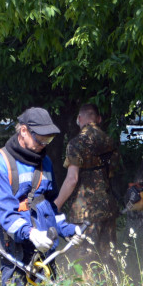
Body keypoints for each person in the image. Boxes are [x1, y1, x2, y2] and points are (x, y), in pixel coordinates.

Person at [0, 107, 78, 286]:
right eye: (40, 138)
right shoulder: (1, 163)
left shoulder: (45, 162)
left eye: (49, 139)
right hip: (17, 250)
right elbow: (7, 216)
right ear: (23, 131)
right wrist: (31, 233)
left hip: (45, 250)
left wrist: (67, 229)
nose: (44, 143)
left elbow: (50, 206)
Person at [54, 103, 122, 254]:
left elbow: (72, 179)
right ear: (99, 118)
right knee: (108, 259)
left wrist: (57, 204)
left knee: (85, 262)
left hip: (84, 212)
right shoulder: (111, 142)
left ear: (79, 119)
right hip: (107, 208)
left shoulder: (76, 143)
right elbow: (110, 173)